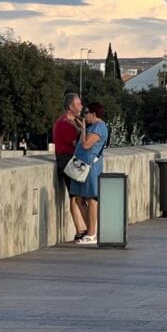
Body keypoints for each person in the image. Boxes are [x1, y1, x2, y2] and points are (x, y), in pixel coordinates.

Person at [68, 103, 109, 245]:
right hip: (81, 165)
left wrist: (84, 128)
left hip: (91, 167)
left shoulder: (99, 127)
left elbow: (86, 145)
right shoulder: (92, 126)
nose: (85, 116)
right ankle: (89, 230)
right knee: (79, 198)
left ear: (94, 114)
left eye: (86, 113)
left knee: (91, 199)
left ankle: (92, 234)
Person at [51, 93, 82, 241]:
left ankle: (83, 228)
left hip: (72, 160)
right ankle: (79, 229)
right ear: (70, 107)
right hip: (67, 161)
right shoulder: (64, 123)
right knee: (74, 195)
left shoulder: (74, 121)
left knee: (78, 195)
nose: (81, 107)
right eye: (78, 104)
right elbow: (78, 144)